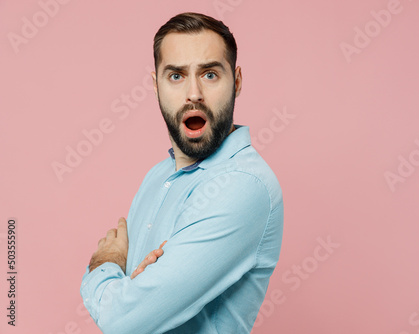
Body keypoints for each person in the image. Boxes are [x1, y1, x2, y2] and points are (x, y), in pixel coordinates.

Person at [80, 12, 284, 334]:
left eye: (210, 74)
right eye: (176, 76)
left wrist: (104, 265)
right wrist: (132, 293)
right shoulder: (156, 177)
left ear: (238, 81)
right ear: (155, 85)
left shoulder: (244, 185)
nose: (194, 94)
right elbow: (130, 309)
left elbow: (122, 322)